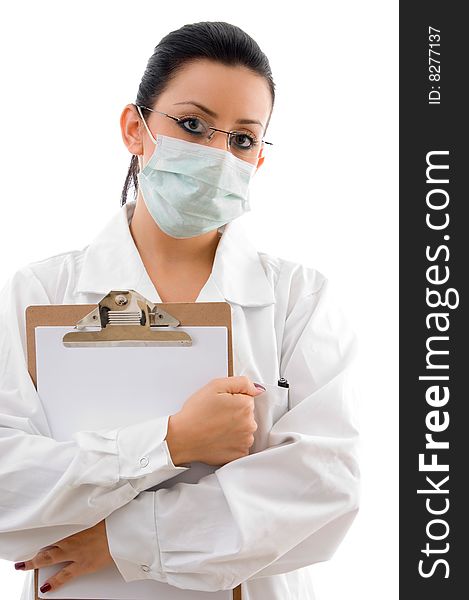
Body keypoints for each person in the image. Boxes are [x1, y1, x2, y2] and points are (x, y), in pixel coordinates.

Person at [0, 21, 360, 600]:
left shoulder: (299, 300)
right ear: (134, 130)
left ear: (258, 159)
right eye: (192, 125)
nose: (218, 154)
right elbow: (6, 484)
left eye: (242, 139)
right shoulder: (40, 292)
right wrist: (169, 442)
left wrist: (123, 540)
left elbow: (322, 486)